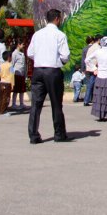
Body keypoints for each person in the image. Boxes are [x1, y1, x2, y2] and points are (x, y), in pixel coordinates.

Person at [26, 9, 71, 144]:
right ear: (57, 19)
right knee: (56, 104)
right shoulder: (60, 35)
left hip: (38, 70)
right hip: (53, 71)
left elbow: (30, 53)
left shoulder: (37, 34)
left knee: (36, 104)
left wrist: (40, 58)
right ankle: (59, 134)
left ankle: (33, 135)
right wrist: (60, 61)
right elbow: (65, 56)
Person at [91, 37, 107, 121]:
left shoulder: (98, 51)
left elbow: (87, 60)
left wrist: (94, 68)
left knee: (100, 96)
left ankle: (100, 115)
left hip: (100, 76)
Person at [83, 34, 101, 107]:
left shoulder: (91, 47)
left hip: (89, 68)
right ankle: (88, 100)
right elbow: (98, 58)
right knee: (93, 85)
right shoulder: (98, 47)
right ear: (99, 40)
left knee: (90, 85)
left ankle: (87, 100)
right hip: (94, 68)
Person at [10, 41, 27, 109]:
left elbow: (24, 65)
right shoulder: (14, 54)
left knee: (22, 90)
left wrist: (25, 74)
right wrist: (11, 74)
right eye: (22, 44)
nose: (23, 46)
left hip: (22, 74)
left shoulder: (22, 54)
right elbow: (12, 64)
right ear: (18, 45)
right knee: (16, 90)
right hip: (16, 74)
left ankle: (21, 103)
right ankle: (13, 104)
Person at [0, 51, 14, 115]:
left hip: (2, 82)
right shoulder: (11, 65)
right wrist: (13, 84)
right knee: (7, 97)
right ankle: (4, 110)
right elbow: (12, 75)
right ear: (9, 57)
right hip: (8, 83)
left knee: (1, 97)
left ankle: (0, 110)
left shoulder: (1, 65)